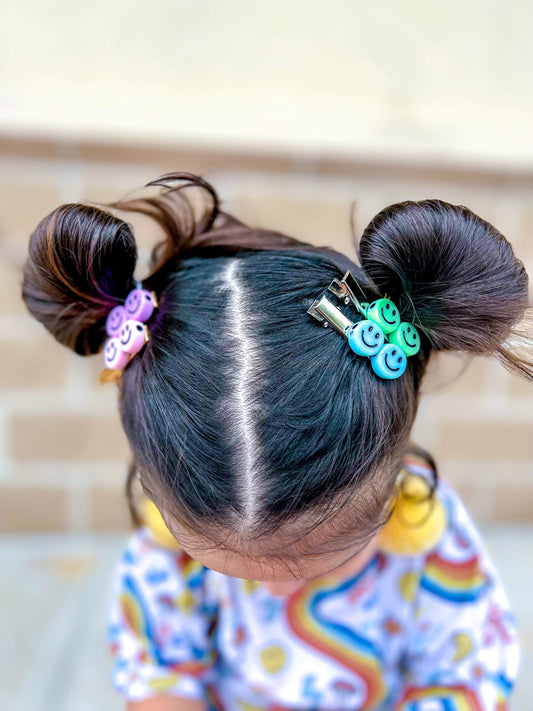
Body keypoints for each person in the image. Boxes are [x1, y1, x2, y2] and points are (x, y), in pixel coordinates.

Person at [21, 172, 532, 711]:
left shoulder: (431, 540)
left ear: (390, 485)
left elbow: (471, 672)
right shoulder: (167, 550)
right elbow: (157, 667)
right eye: (224, 569)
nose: (280, 593)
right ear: (160, 494)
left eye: (325, 563)